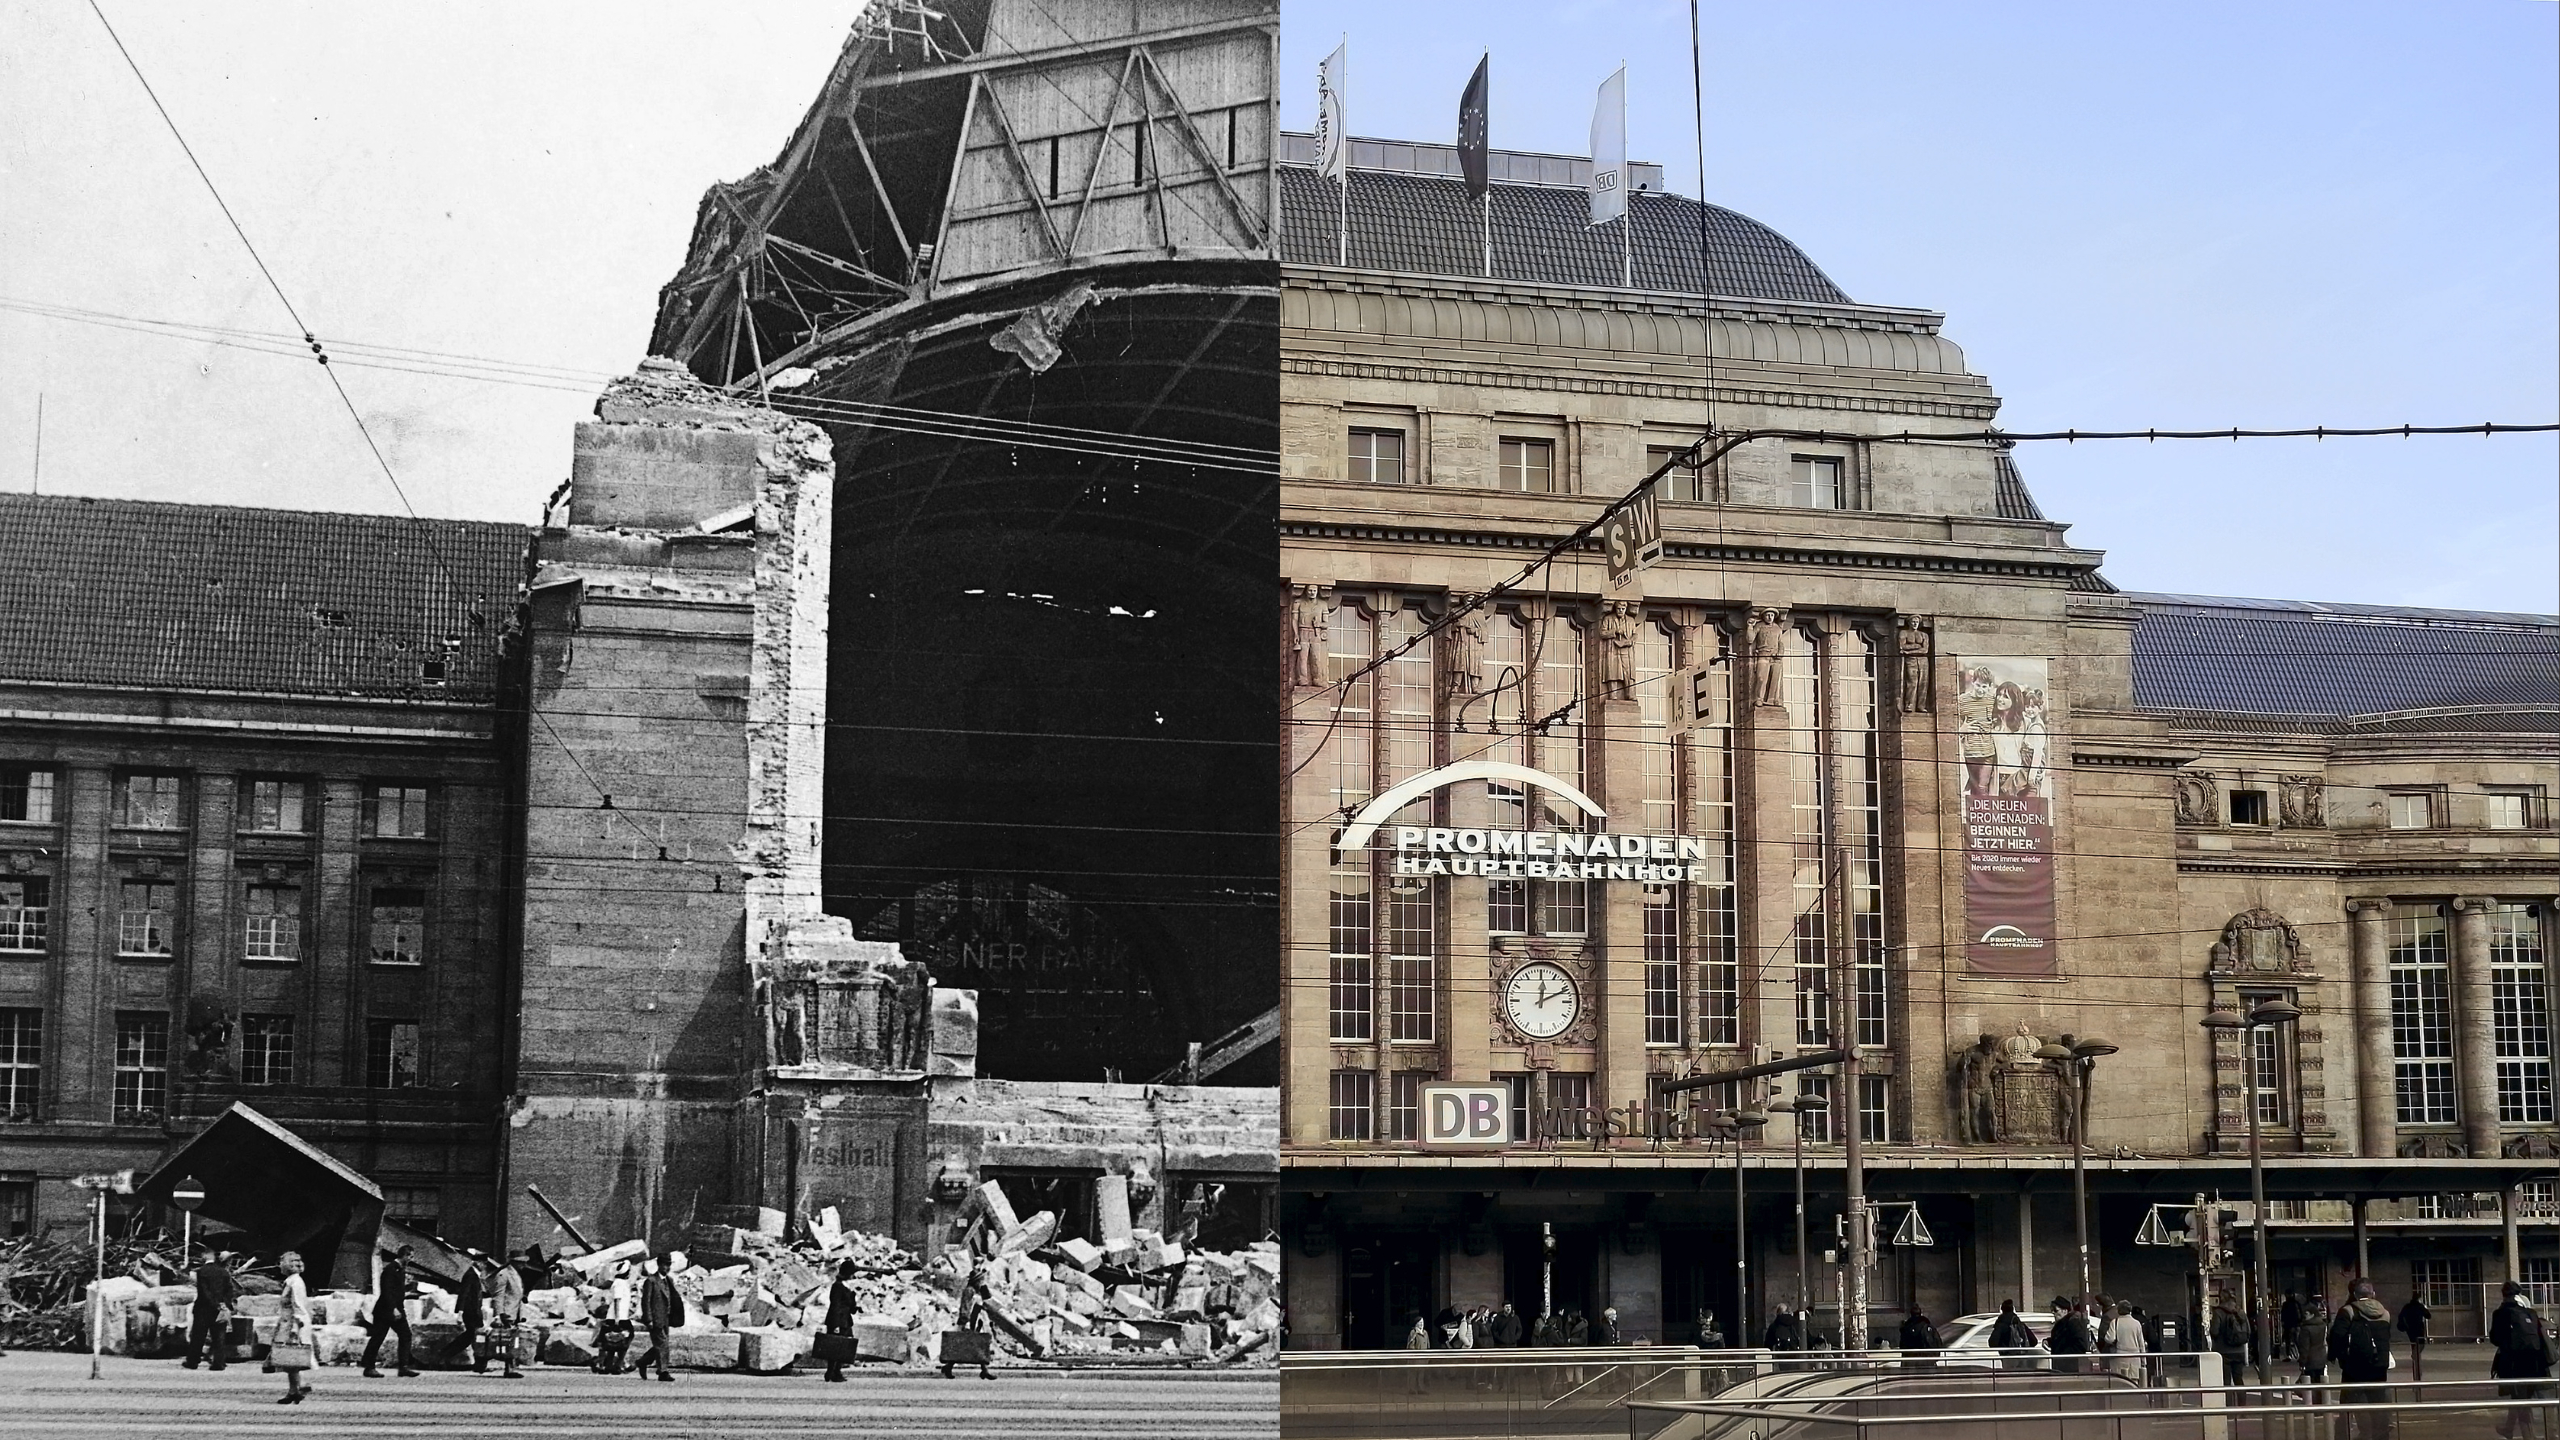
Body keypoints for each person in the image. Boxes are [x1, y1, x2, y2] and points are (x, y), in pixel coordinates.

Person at [2327, 1280, 2395, 1439]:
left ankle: (2350, 1435)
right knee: (2378, 1402)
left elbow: (2337, 1336)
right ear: (2373, 1294)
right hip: (2379, 1365)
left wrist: (2334, 1356)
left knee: (2349, 1403)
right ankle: (2380, 1435)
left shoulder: (2348, 1311)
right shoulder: (2385, 1313)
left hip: (2354, 1366)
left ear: (2355, 1295)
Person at [2489, 1280, 2556, 1440]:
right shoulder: (2531, 1313)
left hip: (2515, 1364)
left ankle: (2529, 1436)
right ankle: (2552, 1432)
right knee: (2545, 1399)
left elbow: (2495, 1338)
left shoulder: (2501, 1313)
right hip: (2538, 1362)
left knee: (2520, 1402)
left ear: (2504, 1295)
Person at [360, 1244, 421, 1378]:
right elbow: (387, 1290)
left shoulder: (399, 1269)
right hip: (386, 1311)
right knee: (378, 1337)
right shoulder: (391, 1269)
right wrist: (393, 1308)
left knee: (405, 1335)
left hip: (395, 1309)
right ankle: (369, 1367)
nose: (411, 1259)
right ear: (404, 1255)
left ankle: (403, 1367)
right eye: (410, 1256)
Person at [181, 1248, 240, 1371]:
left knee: (198, 1336)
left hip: (203, 1308)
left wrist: (214, 1303)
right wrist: (224, 1304)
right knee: (219, 1337)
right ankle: (218, 1363)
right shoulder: (224, 1272)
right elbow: (229, 1290)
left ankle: (193, 1361)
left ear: (204, 1257)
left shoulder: (201, 1271)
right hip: (221, 1309)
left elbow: (204, 1290)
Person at [273, 1250, 315, 1405]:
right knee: (290, 1359)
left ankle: (297, 1388)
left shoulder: (294, 1282)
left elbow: (298, 1305)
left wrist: (294, 1328)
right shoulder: (293, 1280)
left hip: (293, 1323)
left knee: (292, 1357)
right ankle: (296, 1388)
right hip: (290, 1321)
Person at [633, 1253, 683, 1382]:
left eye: (668, 1265)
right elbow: (646, 1301)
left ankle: (643, 1361)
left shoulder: (669, 1280)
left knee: (661, 1345)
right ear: (659, 1265)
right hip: (655, 1319)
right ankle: (663, 1372)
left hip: (666, 1319)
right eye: (664, 1265)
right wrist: (648, 1319)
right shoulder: (651, 1281)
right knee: (663, 1344)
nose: (666, 1268)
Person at [483, 1251, 525, 1378]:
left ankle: (510, 1367)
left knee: (512, 1340)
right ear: (514, 1262)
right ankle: (509, 1368)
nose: (524, 1265)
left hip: (515, 1311)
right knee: (507, 1340)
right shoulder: (504, 1274)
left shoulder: (517, 1274)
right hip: (506, 1312)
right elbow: (498, 1296)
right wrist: (499, 1314)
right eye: (521, 1262)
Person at [820, 1258, 859, 1383]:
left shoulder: (846, 1287)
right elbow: (835, 1305)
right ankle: (833, 1373)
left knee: (842, 1347)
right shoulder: (837, 1286)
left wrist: (853, 1296)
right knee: (836, 1347)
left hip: (845, 1320)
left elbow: (851, 1307)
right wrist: (836, 1324)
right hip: (838, 1320)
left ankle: (833, 1372)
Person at [2209, 1296, 2249, 1392]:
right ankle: (2242, 1405)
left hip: (2223, 1352)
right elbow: (2248, 1331)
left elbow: (2214, 1331)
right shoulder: (2240, 1312)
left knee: (2226, 1381)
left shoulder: (2218, 1312)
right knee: (2238, 1379)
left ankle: (2229, 1404)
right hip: (2239, 1351)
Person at [1988, 1299, 2038, 1372]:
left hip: (2008, 1357)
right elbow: (2034, 1341)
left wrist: (2002, 1347)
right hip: (2022, 1356)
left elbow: (1992, 1343)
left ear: (2002, 1310)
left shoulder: (2001, 1324)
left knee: (2010, 1378)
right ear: (2013, 1309)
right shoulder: (2019, 1323)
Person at [2292, 1295, 2328, 1393]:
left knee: (2310, 1385)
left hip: (2310, 1360)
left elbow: (2305, 1347)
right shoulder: (2323, 1325)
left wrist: (2302, 1362)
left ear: (2312, 1314)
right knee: (2320, 1383)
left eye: (2306, 1314)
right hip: (2321, 1358)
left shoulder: (2306, 1329)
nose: (2304, 1316)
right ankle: (2321, 1401)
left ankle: (2312, 1403)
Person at [2050, 1299, 2095, 1375]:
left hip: (2069, 1365)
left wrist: (2063, 1356)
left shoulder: (2073, 1323)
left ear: (2065, 1310)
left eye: (2056, 1310)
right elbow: (2061, 1340)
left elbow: (2080, 1344)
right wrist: (2048, 1341)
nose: (2053, 1313)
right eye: (2052, 1310)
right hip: (2061, 1363)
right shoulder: (2061, 1324)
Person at [2397, 1292, 2432, 1383]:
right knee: (2421, 1344)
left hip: (2410, 1329)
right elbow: (2428, 1316)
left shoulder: (2407, 1306)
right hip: (2418, 1329)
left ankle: (2416, 1360)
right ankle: (2416, 1358)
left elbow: (2401, 1316)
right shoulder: (2419, 1306)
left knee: (2414, 1344)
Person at [1897, 1305, 1939, 1369]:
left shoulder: (1906, 1328)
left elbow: (1902, 1345)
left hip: (1910, 1360)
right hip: (1926, 1359)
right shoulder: (1928, 1326)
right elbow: (1937, 1342)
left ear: (1910, 1314)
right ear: (1921, 1314)